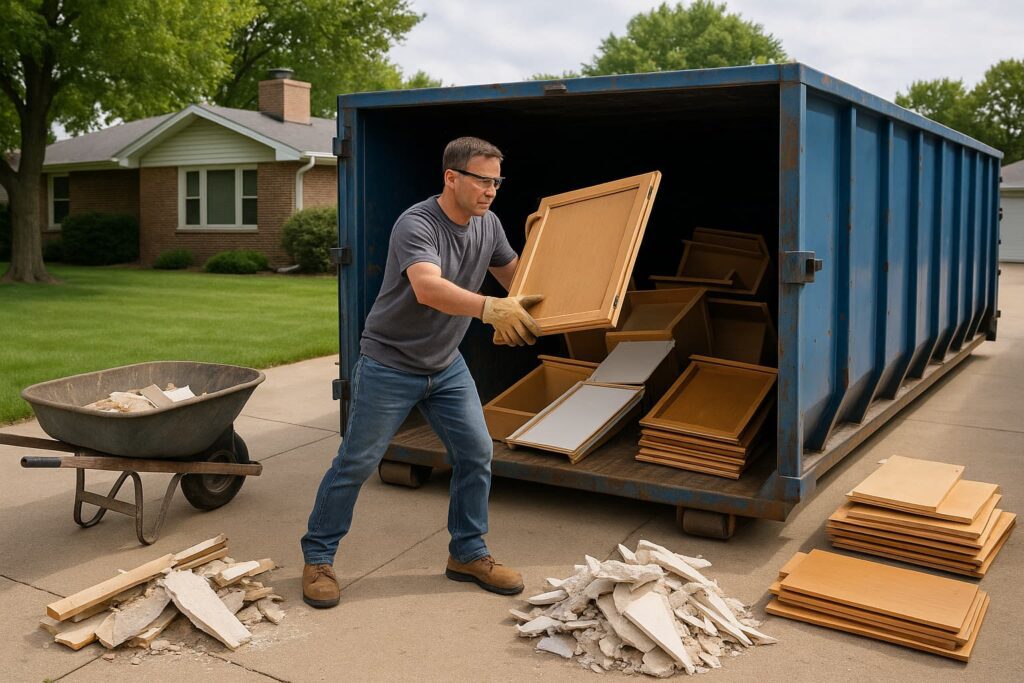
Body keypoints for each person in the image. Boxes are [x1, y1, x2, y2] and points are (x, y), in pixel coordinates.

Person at [300, 136, 544, 608]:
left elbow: (519, 281)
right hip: (390, 362)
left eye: (497, 181)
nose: (492, 190)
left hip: (446, 364)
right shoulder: (417, 223)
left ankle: (468, 554)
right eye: (482, 180)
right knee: (355, 463)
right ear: (451, 177)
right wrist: (490, 309)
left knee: (476, 453)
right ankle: (318, 558)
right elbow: (428, 288)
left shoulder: (488, 224)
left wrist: (544, 247)